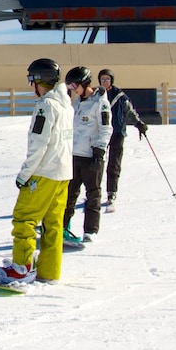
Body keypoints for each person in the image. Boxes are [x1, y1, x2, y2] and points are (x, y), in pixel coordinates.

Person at [0, 58, 74, 285]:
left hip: (43, 173)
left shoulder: (45, 106)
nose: (31, 87)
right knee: (53, 224)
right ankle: (50, 271)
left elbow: (39, 143)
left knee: (24, 219)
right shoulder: (66, 105)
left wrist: (24, 175)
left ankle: (21, 268)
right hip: (63, 174)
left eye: (32, 81)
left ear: (40, 80)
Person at [63, 66, 113, 244]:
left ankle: (90, 231)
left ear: (85, 83)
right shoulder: (77, 103)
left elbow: (106, 128)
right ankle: (62, 228)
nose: (72, 90)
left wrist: (99, 149)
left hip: (92, 156)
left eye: (74, 85)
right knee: (68, 193)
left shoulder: (100, 102)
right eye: (70, 87)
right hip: (75, 154)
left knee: (93, 194)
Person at [97, 69, 148, 206]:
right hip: (100, 133)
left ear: (111, 81)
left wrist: (138, 123)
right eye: (102, 79)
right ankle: (94, 192)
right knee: (96, 163)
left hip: (117, 132)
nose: (105, 82)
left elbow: (130, 112)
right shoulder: (97, 96)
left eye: (107, 79)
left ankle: (111, 192)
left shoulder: (120, 96)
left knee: (114, 163)